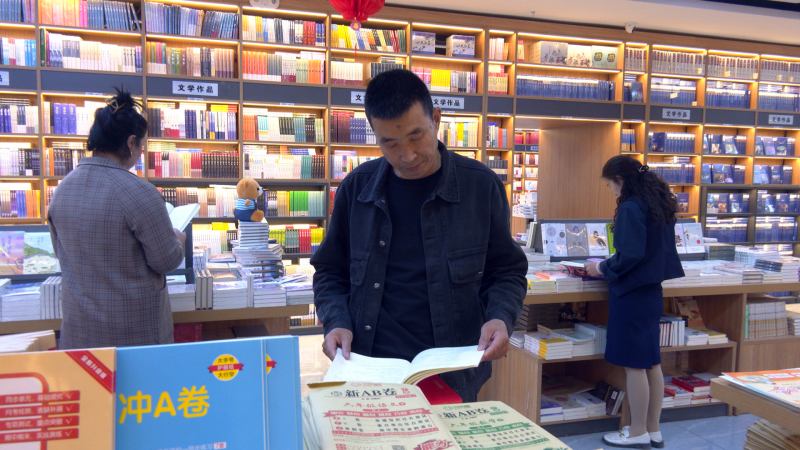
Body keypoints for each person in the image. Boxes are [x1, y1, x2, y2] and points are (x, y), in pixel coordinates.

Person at [311, 69, 528, 402]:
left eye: (416, 136)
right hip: (368, 364)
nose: (407, 154)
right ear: (374, 135)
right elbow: (330, 270)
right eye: (390, 143)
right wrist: (336, 321)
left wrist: (500, 317)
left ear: (436, 120)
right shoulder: (357, 189)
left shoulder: (480, 186)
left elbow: (506, 270)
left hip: (452, 370)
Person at [48, 88, 186, 349]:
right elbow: (165, 260)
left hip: (79, 332)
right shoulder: (139, 192)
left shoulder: (62, 189)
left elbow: (62, 253)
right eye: (142, 146)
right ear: (131, 143)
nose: (140, 152)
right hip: (134, 332)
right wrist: (177, 239)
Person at [585, 155, 684, 449]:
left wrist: (601, 267)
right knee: (651, 362)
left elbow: (629, 255)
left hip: (631, 294)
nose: (611, 191)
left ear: (620, 180)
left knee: (634, 366)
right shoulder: (657, 204)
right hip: (652, 292)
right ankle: (653, 429)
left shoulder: (630, 208)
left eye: (610, 185)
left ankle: (637, 431)